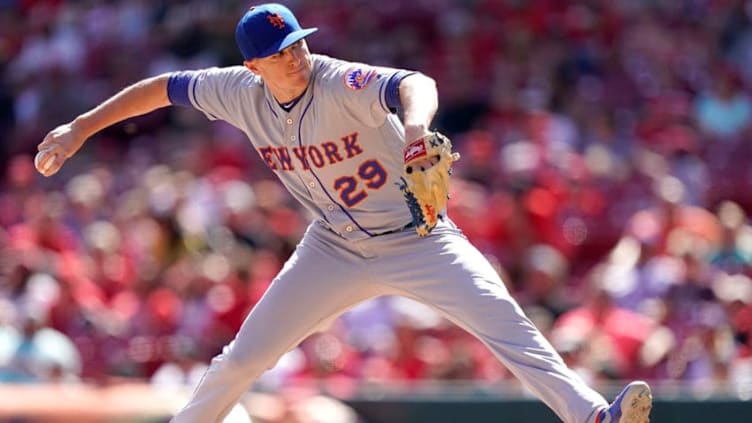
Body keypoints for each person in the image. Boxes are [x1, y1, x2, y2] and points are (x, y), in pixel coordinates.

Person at [35, 4, 652, 423]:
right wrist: (82, 127)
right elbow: (162, 86)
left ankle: (594, 416)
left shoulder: (337, 80)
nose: (298, 56)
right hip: (332, 247)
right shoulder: (234, 90)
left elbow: (415, 82)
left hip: (419, 238)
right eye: (282, 51)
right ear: (254, 66)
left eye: (299, 43)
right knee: (245, 357)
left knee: (512, 332)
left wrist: (414, 129)